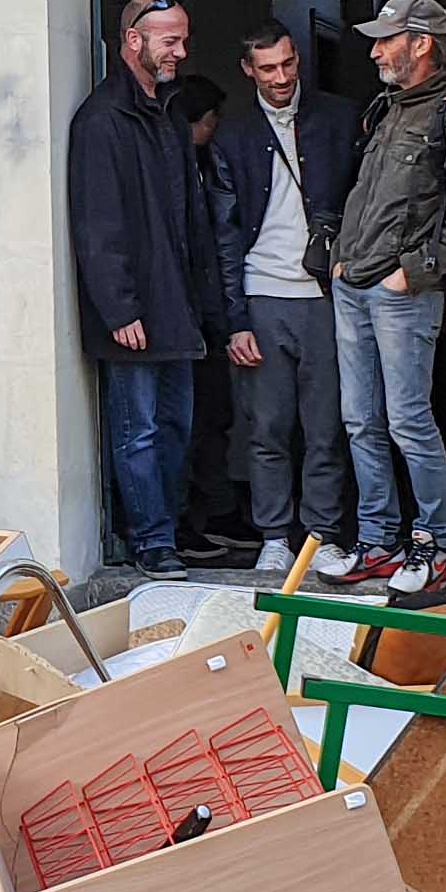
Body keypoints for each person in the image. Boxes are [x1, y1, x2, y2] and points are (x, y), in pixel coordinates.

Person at [64, 0, 226, 583]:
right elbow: (97, 224)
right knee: (139, 434)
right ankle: (152, 544)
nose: (182, 51)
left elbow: (192, 220)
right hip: (135, 315)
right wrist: (119, 307)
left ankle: (167, 532)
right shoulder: (103, 120)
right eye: (170, 40)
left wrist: (211, 306)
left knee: (175, 430)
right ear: (134, 40)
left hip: (177, 308)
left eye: (181, 39)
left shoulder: (167, 115)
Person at [327, 0, 446, 594]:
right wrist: (341, 260)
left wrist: (414, 272)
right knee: (360, 421)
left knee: (409, 421)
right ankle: (378, 542)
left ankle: (437, 546)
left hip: (402, 291)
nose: (374, 49)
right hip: (355, 284)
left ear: (422, 43)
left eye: (387, 38)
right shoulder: (385, 109)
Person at [213, 19, 362, 580]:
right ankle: (275, 534)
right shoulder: (232, 133)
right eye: (268, 68)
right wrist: (233, 321)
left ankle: (321, 534)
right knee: (267, 426)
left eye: (289, 64)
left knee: (326, 425)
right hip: (261, 291)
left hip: (325, 292)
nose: (282, 77)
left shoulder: (338, 116)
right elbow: (223, 234)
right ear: (248, 70)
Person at [166, 73, 255, 569]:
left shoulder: (204, 166)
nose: (217, 128)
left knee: (213, 419)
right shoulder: (176, 173)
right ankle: (184, 521)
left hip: (207, 314)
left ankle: (216, 512)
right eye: (211, 119)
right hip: (190, 316)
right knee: (187, 423)